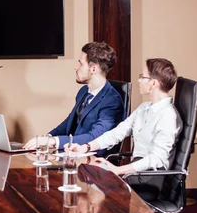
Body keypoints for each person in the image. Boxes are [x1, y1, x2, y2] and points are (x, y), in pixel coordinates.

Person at [68, 58, 182, 201]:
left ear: (153, 83)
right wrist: (86, 147)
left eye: (142, 77)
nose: (139, 80)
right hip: (136, 172)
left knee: (95, 188)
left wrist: (118, 170)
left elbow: (157, 158)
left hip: (150, 178)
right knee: (89, 176)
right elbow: (117, 133)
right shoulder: (144, 108)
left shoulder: (168, 116)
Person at [23, 42, 123, 153]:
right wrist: (48, 137)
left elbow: (94, 137)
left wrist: (54, 141)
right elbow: (69, 122)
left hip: (93, 160)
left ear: (93, 69)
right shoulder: (83, 91)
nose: (76, 67)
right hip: (72, 154)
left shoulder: (112, 101)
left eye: (80, 63)